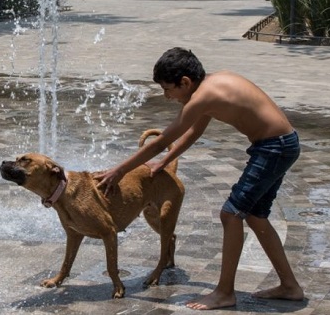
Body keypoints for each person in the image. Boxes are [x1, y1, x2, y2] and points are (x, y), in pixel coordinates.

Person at [95, 48, 304, 310]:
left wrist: (120, 170)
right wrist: (164, 163)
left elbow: (162, 141)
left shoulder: (201, 98)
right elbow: (193, 132)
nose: (167, 96)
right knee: (255, 216)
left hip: (274, 147)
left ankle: (225, 292)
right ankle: (290, 286)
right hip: (282, 144)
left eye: (168, 89)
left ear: (185, 82)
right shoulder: (211, 87)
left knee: (231, 214)